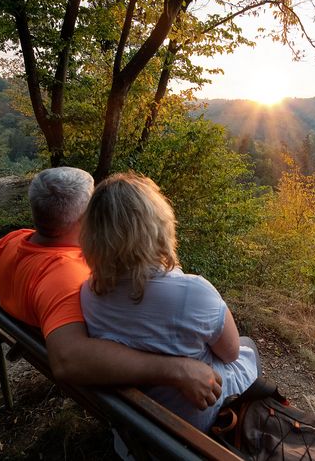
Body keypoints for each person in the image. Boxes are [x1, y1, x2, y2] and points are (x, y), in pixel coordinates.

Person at [0, 167, 221, 410]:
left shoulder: (13, 240)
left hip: (25, 342)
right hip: (125, 403)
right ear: (86, 218)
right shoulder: (68, 276)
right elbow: (67, 361)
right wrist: (177, 369)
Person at [79, 173, 259, 432]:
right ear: (157, 225)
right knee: (247, 347)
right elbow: (230, 353)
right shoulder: (192, 292)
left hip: (136, 433)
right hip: (193, 430)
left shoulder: (89, 290)